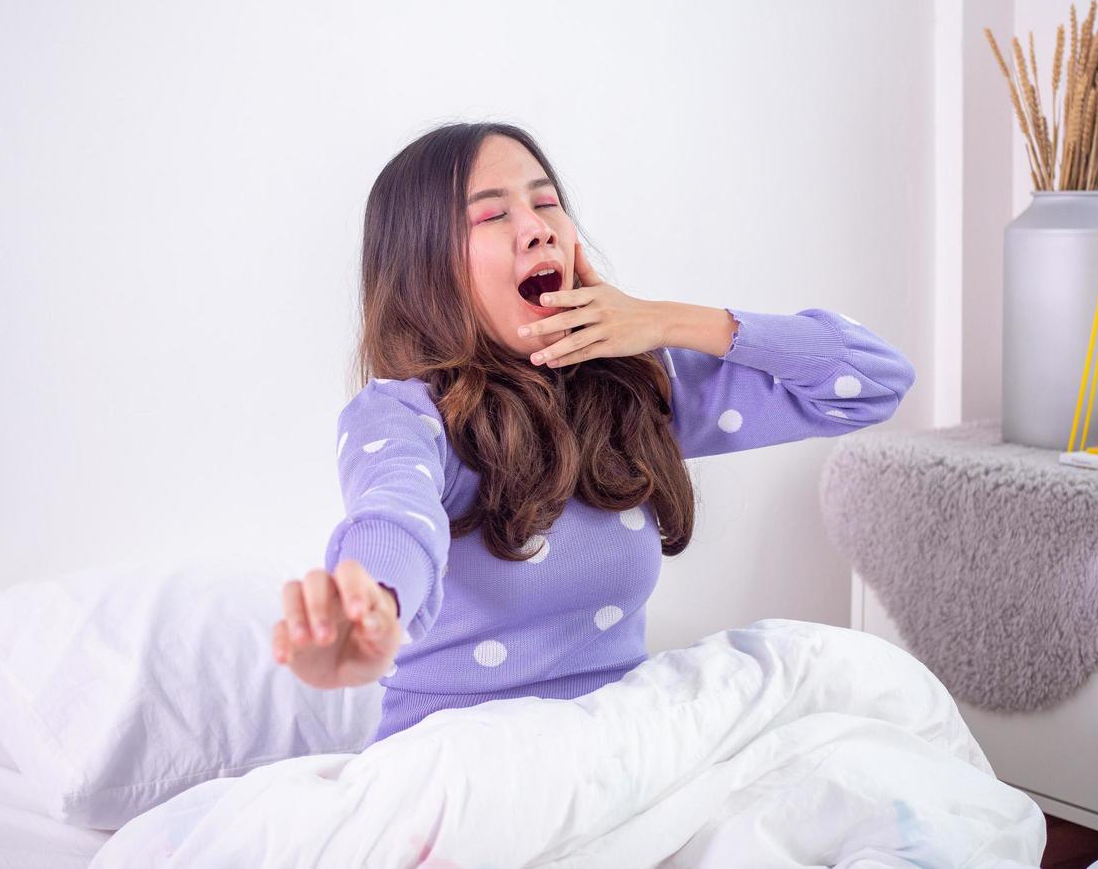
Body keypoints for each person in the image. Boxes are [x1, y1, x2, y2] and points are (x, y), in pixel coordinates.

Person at [272, 121, 917, 746]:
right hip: (461, 761)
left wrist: (665, 321)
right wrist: (371, 607)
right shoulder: (403, 415)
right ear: (424, 268)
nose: (537, 228)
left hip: (623, 755)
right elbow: (395, 515)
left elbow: (871, 381)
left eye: (547, 203)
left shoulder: (633, 389)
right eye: (491, 216)